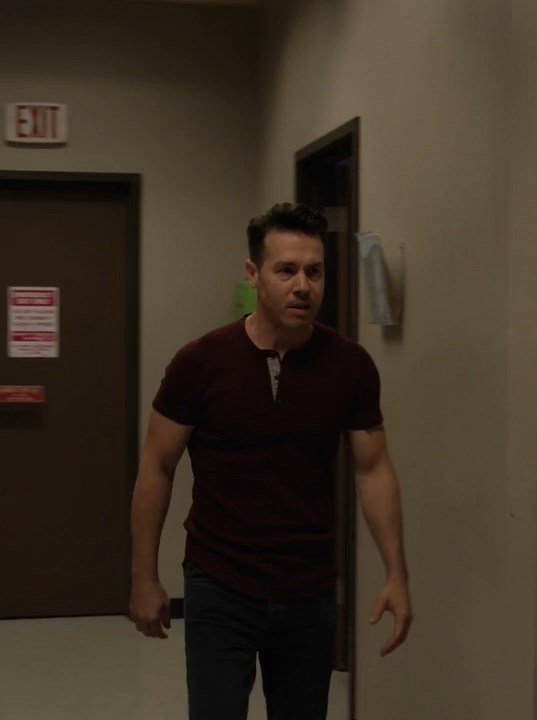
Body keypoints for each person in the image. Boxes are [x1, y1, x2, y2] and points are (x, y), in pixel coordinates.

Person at [129, 202, 413, 719]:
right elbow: (157, 467)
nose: (303, 286)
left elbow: (372, 469)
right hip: (220, 582)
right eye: (286, 271)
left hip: (308, 589)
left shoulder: (350, 366)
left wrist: (397, 572)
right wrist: (144, 578)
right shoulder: (199, 363)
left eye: (314, 272)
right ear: (253, 274)